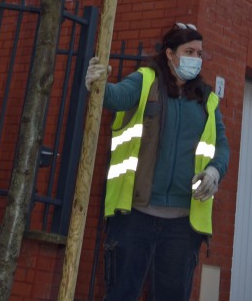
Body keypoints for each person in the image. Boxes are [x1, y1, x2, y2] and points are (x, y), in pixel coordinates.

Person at [85, 22, 230, 301]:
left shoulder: (206, 101)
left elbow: (222, 146)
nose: (196, 60)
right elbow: (116, 97)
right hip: (134, 217)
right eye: (189, 51)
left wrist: (214, 171)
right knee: (121, 295)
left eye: (200, 54)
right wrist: (98, 84)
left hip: (182, 225)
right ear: (170, 54)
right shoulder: (145, 81)